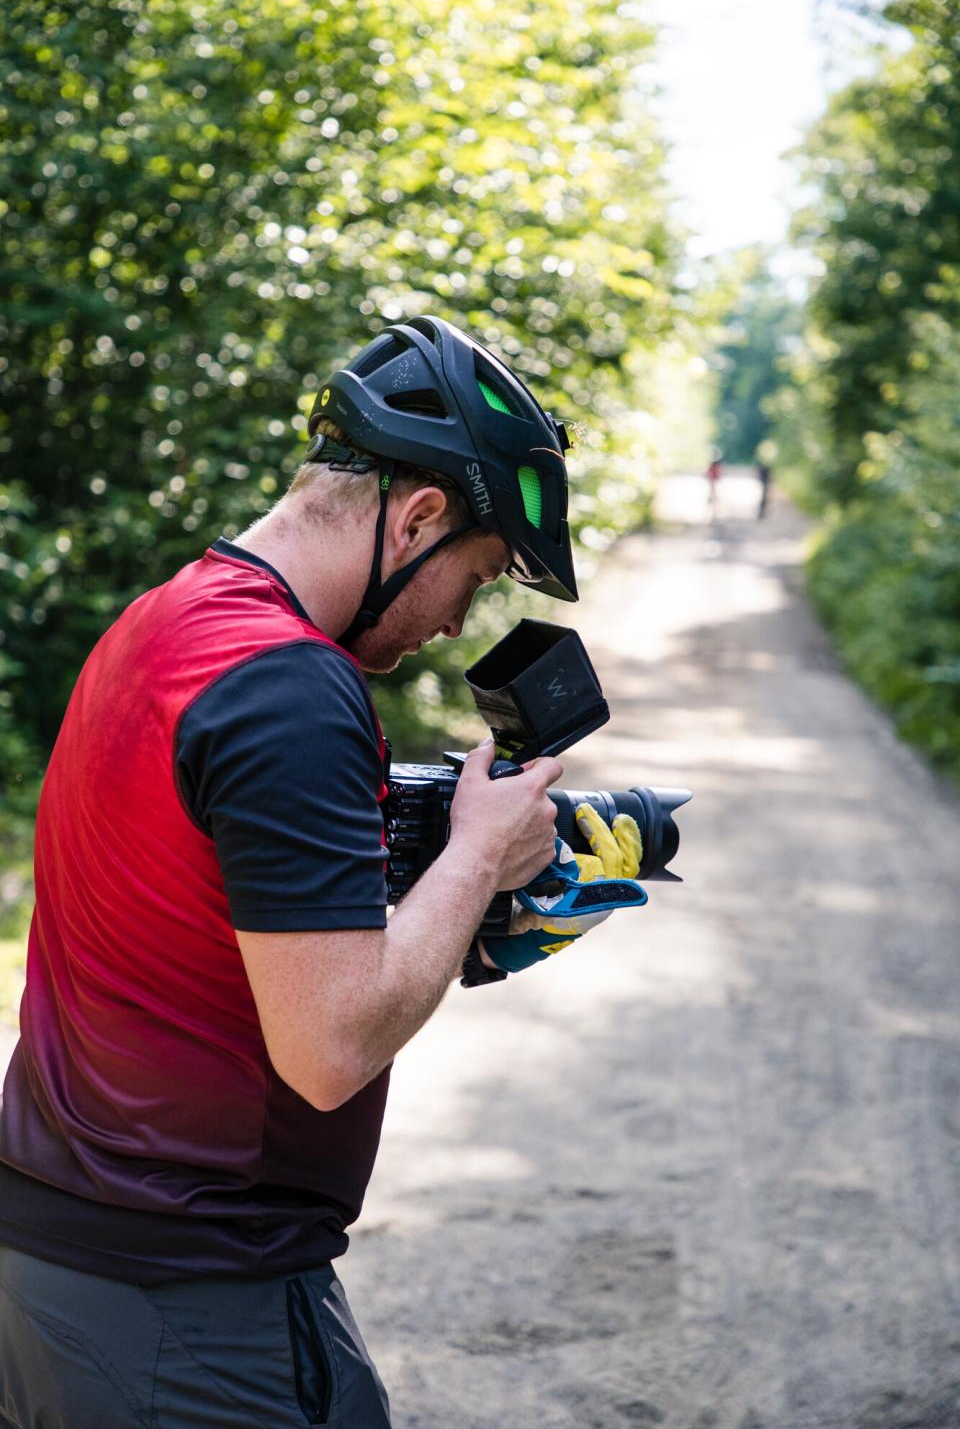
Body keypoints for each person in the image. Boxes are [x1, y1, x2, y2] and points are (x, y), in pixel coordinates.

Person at [0, 315, 640, 1428]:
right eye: (479, 579)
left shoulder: (163, 622)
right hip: (190, 1300)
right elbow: (331, 1045)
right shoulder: (293, 688)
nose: (457, 624)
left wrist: (430, 861)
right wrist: (481, 852)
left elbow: (213, 899)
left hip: (53, 1263)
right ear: (420, 515)